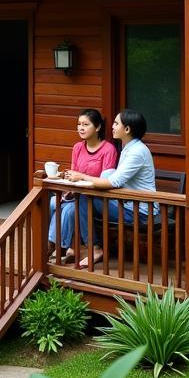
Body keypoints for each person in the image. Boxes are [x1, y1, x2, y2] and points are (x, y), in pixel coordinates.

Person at [65, 108, 156, 267]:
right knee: (83, 197)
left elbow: (113, 182)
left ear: (127, 129)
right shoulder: (128, 147)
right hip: (129, 204)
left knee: (85, 197)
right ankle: (84, 246)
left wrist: (81, 176)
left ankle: (94, 249)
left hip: (139, 210)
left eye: (116, 123)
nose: (112, 127)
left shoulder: (136, 152)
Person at [47, 109, 118, 263]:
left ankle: (54, 247)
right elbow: (74, 174)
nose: (81, 128)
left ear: (98, 127)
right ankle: (68, 247)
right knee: (54, 202)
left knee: (69, 210)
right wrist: (68, 189)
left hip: (95, 198)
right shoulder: (78, 147)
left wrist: (79, 182)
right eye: (79, 124)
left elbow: (105, 181)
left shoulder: (108, 150)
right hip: (77, 194)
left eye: (86, 124)